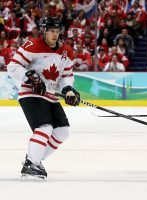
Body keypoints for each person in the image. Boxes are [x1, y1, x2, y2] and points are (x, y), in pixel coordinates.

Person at [7, 17, 80, 180]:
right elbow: (13, 66)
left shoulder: (66, 50)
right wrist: (29, 76)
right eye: (52, 31)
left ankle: (34, 159)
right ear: (44, 31)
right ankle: (32, 164)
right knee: (44, 128)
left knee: (63, 131)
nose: (55, 34)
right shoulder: (32, 45)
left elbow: (67, 75)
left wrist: (68, 89)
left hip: (51, 95)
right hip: (31, 94)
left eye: (57, 31)